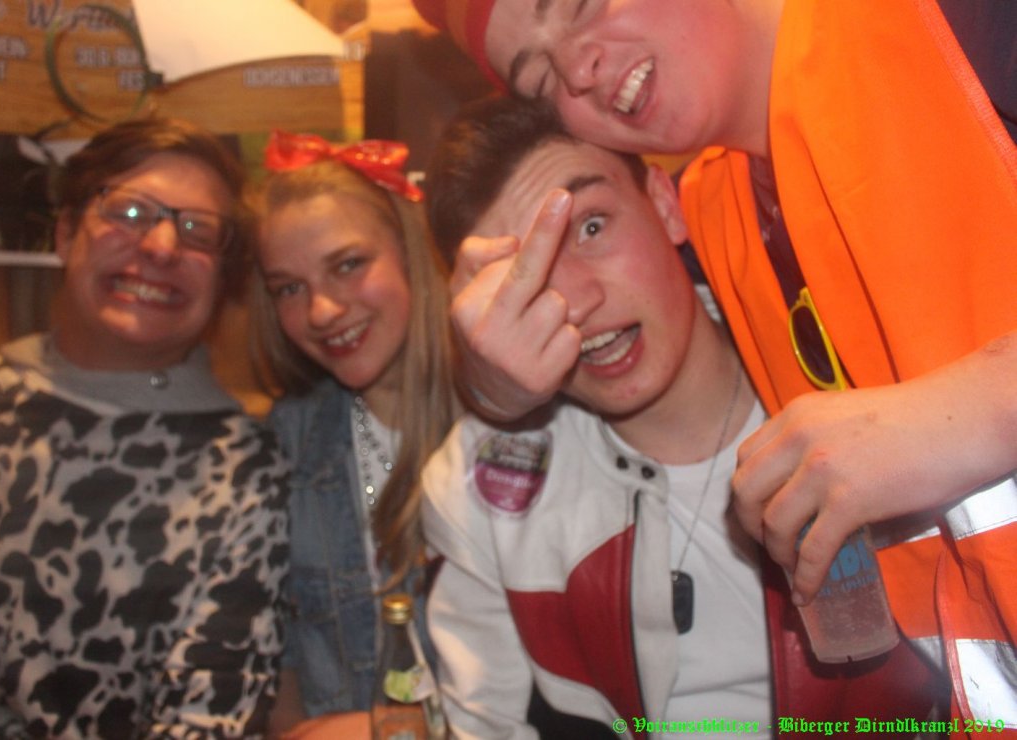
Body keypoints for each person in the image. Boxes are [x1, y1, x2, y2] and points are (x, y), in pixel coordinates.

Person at [413, 0, 1017, 723]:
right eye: (540, 78)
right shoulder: (724, 212)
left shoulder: (963, 27)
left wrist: (974, 414)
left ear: (657, 204)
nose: (576, 68)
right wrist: (492, 386)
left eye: (579, 4)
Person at [0, 117, 290, 736]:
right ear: (65, 232)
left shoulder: (245, 467)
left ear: (224, 280)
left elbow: (210, 713)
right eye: (130, 212)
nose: (161, 247)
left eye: (197, 231)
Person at [250, 131, 457, 732]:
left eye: (347, 265)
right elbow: (278, 655)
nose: (321, 311)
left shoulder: (516, 426)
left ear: (410, 252)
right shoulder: (287, 441)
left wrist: (395, 730)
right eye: (289, 288)